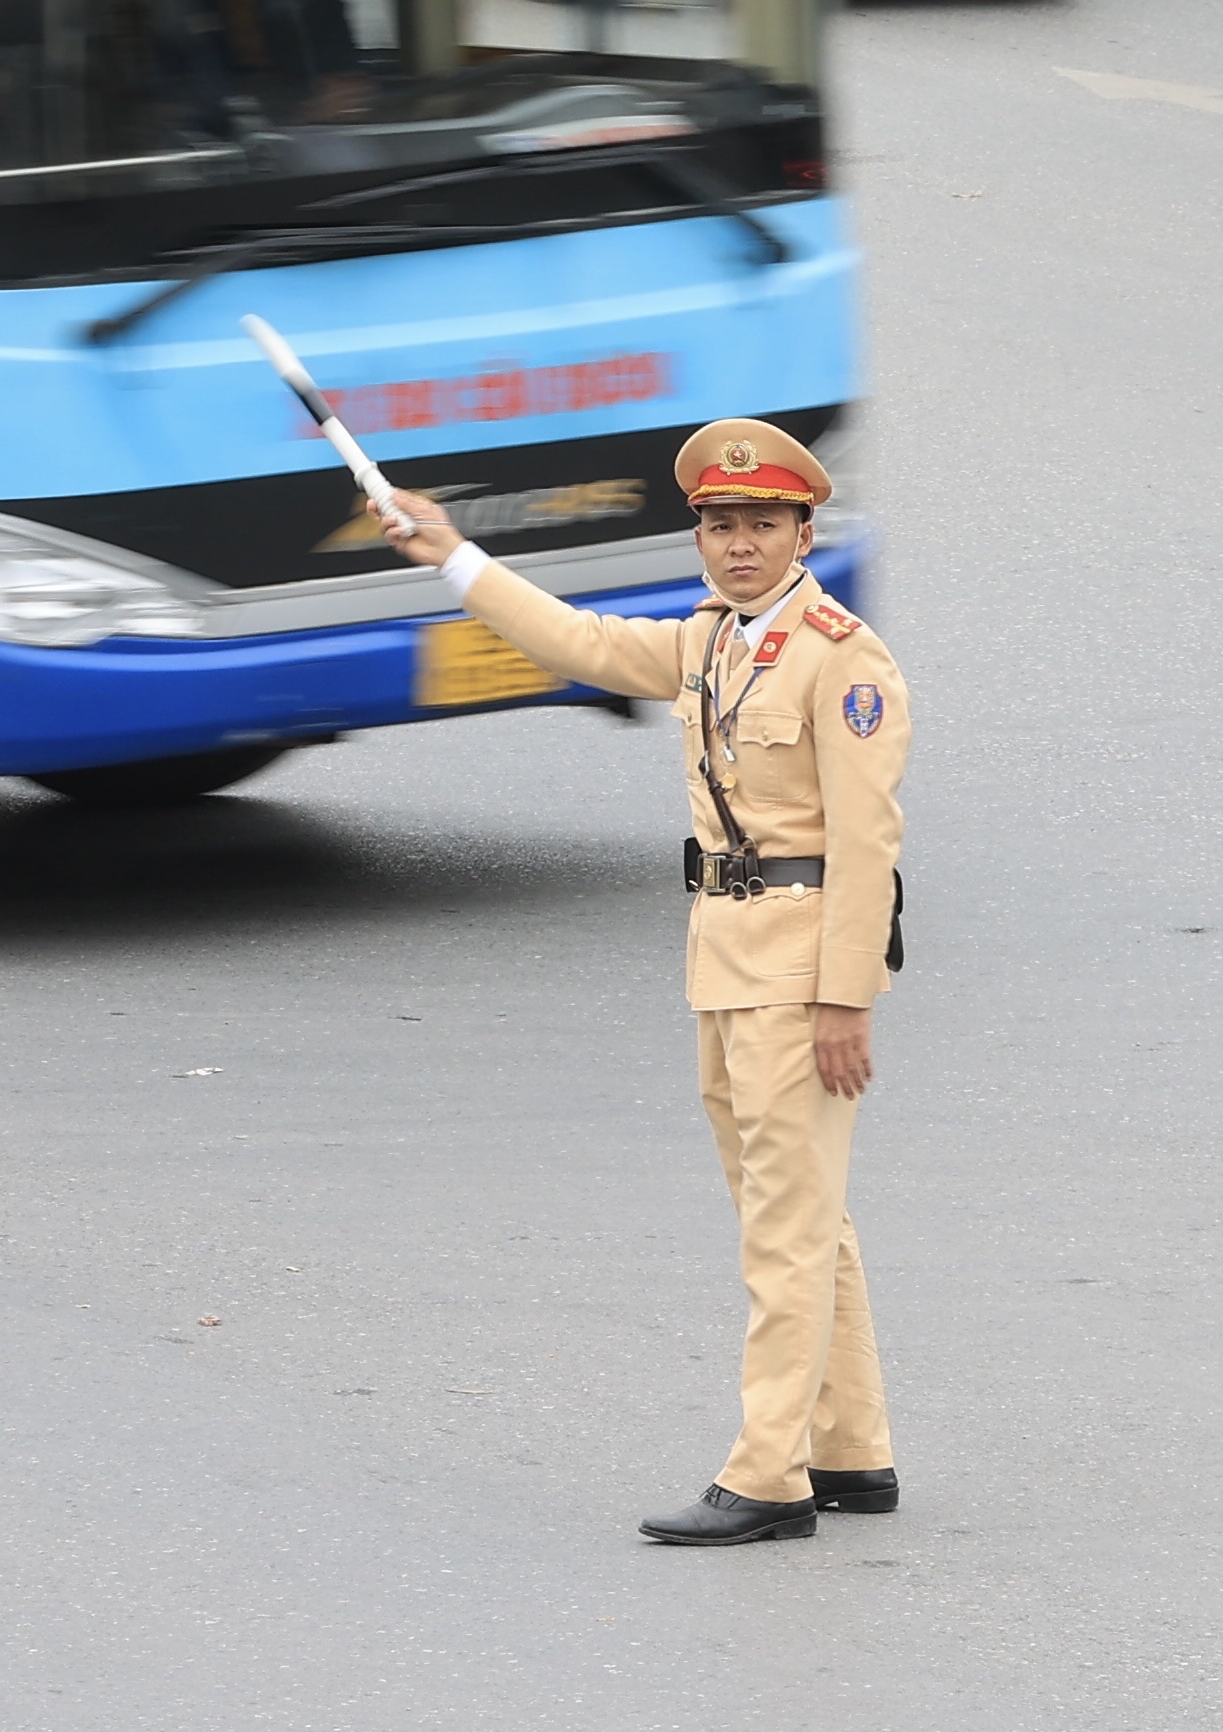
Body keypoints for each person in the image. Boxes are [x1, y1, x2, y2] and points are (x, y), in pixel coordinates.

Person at [380, 419, 910, 1546]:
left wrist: (844, 999)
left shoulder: (839, 655)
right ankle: (850, 1446)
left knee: (785, 1229)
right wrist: (452, 555)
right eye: (720, 527)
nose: (738, 546)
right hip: (725, 958)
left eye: (762, 525)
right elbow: (578, 643)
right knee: (804, 1216)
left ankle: (769, 1476)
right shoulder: (715, 641)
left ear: (804, 531)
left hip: (799, 968)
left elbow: (868, 843)